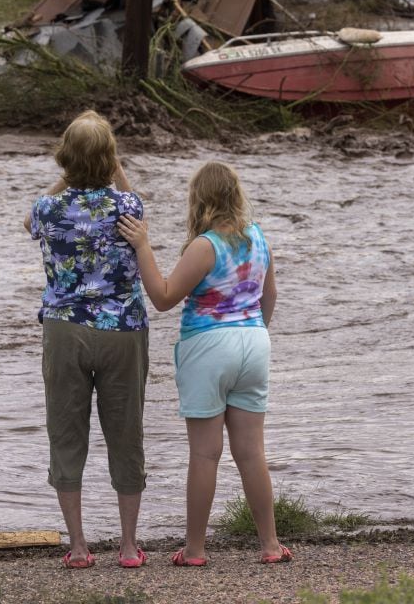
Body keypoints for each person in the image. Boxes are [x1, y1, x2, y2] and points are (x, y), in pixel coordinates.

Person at [117, 161, 291, 566]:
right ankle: (269, 545)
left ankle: (195, 549)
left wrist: (143, 246)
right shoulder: (258, 238)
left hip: (209, 345)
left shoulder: (205, 245)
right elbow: (270, 296)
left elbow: (162, 297)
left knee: (205, 454)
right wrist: (254, 331)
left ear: (199, 199)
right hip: (254, 342)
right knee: (251, 452)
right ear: (236, 195)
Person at [24, 110, 150, 570]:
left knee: (66, 433)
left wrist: (66, 177)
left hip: (64, 329)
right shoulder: (128, 208)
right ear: (110, 159)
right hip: (123, 329)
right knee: (126, 434)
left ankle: (78, 546)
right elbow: (130, 194)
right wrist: (111, 164)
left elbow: (28, 220)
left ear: (64, 160)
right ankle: (130, 547)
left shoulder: (47, 210)